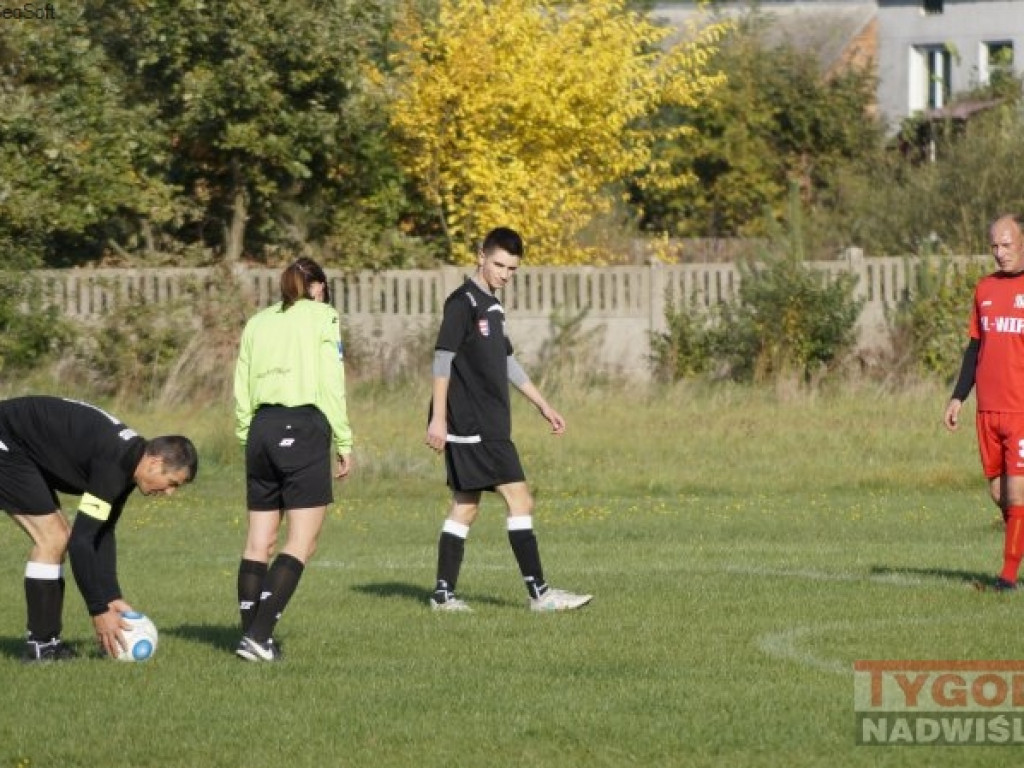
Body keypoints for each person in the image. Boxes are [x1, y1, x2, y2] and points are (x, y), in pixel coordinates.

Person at [425, 226, 592, 612]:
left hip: (490, 422)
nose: (504, 274)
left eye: (512, 269)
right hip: (471, 423)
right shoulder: (462, 303)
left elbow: (505, 361)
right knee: (520, 499)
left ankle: (443, 595)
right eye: (498, 264)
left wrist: (542, 404)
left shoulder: (493, 306)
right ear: (480, 256)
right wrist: (438, 418)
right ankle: (541, 595)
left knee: (465, 505)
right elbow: (442, 360)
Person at [0, 396, 197, 662]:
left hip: (20, 446)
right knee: (54, 538)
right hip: (7, 439)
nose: (170, 493)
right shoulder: (115, 463)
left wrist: (111, 596)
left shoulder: (129, 462)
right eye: (172, 482)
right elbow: (82, 542)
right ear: (154, 463)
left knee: (57, 536)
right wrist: (98, 610)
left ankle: (45, 644)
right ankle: (42, 646)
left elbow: (102, 533)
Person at [233, 256, 353, 661]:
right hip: (303, 426)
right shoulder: (323, 316)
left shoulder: (258, 322)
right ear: (317, 286)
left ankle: (249, 634)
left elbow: (241, 382)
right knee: (303, 539)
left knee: (258, 542)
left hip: (261, 430)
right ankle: (259, 636)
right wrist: (344, 439)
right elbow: (331, 381)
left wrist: (246, 433)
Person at [944, 214, 1024, 592]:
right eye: (994, 245)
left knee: (1018, 491)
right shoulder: (984, 289)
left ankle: (1007, 577)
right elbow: (975, 347)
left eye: (1006, 244)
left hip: (1021, 411)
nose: (999, 252)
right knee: (998, 493)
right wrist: (958, 396)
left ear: (1021, 242)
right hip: (987, 410)